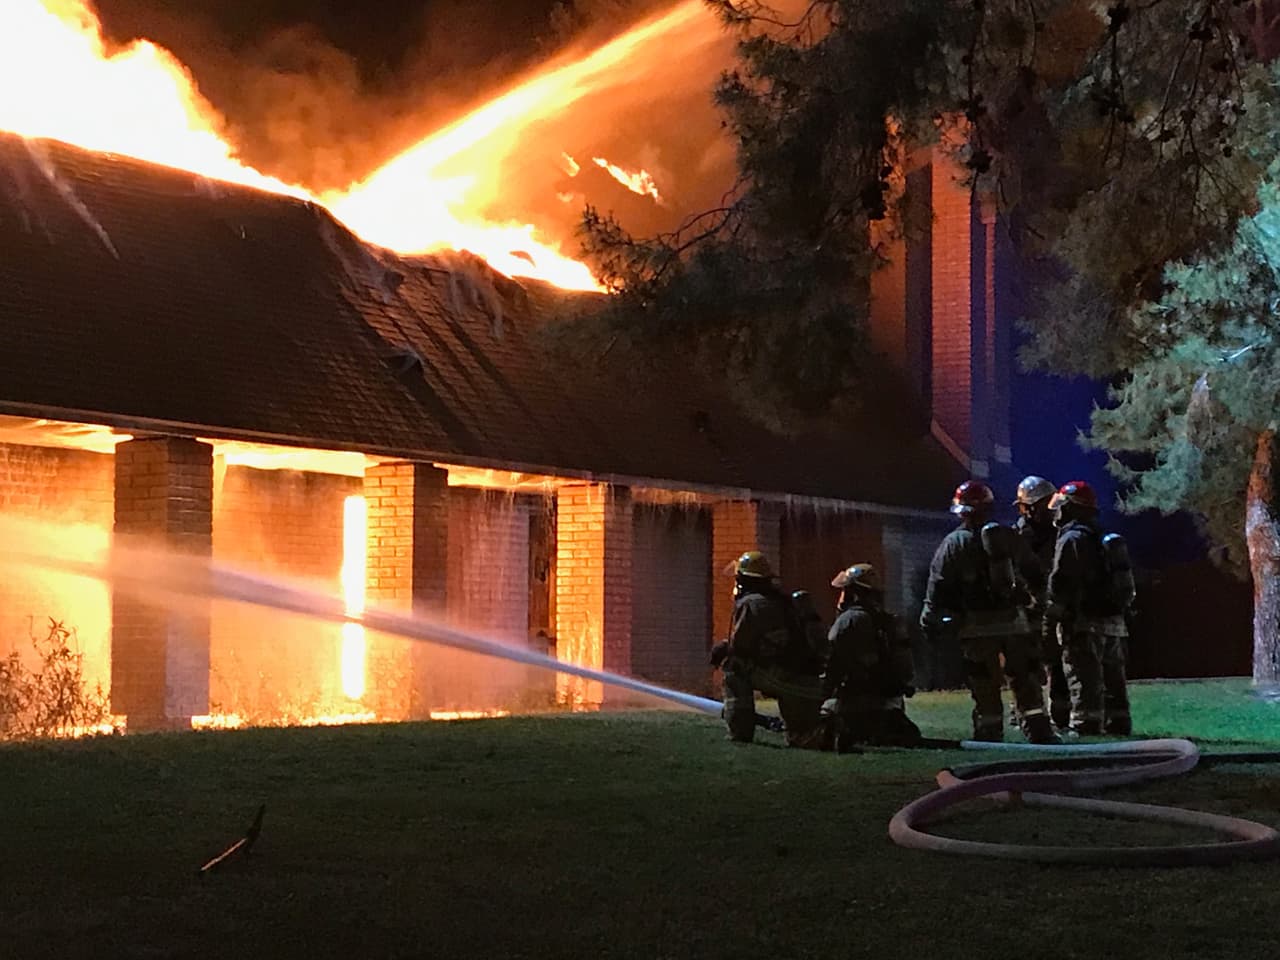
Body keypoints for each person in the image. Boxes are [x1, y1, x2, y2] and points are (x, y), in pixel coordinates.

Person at [920, 481, 1060, 744]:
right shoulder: (1008, 536)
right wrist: (1033, 606)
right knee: (1026, 679)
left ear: (961, 511)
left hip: (975, 627)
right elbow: (1034, 573)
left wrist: (930, 619)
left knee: (984, 682)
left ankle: (989, 733)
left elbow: (938, 585)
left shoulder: (952, 544)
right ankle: (1040, 731)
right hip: (1014, 623)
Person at [1045, 481, 1133, 735]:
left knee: (1084, 675)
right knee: (1113, 676)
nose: (1057, 512)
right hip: (1113, 622)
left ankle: (1086, 724)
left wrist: (1053, 619)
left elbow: (1061, 582)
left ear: (1072, 508)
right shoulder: (1102, 537)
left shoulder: (1072, 539)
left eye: (1062, 507)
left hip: (1083, 621)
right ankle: (1119, 722)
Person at [715, 551, 825, 747]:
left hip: (783, 676)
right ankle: (832, 732)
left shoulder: (751, 604)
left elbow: (741, 648)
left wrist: (723, 651)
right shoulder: (781, 601)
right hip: (806, 680)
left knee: (733, 669)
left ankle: (740, 731)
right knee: (801, 737)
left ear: (743, 579)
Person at [821, 563, 921, 751]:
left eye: (844, 590)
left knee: (810, 722)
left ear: (853, 592)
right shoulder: (891, 621)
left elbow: (832, 664)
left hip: (855, 705)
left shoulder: (848, 620)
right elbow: (905, 669)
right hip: (892, 706)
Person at [1011, 475, 1071, 730]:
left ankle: (1062, 716)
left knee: (1057, 665)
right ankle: (1024, 715)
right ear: (1029, 507)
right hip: (1027, 612)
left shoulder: (1060, 534)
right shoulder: (1015, 538)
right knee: (1026, 665)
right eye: (1044, 504)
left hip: (1054, 609)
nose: (1050, 510)